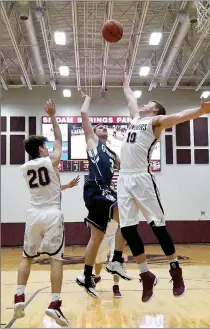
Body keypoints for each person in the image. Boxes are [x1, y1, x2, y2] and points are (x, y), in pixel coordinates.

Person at [108, 71, 210, 303]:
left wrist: (201, 111)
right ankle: (145, 274)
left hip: (142, 178)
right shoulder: (134, 120)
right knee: (128, 229)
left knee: (157, 227)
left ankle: (175, 270)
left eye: (148, 103)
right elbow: (131, 99)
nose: (142, 104)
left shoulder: (155, 122)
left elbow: (179, 116)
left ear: (155, 110)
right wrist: (126, 85)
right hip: (124, 179)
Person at [13, 100, 69, 326]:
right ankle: (55, 304)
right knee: (56, 259)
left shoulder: (23, 168)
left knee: (26, 257)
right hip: (52, 214)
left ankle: (19, 296)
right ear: (41, 149)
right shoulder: (51, 160)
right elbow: (59, 140)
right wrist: (53, 116)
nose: (48, 147)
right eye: (45, 146)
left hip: (33, 214)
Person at [76, 91, 132, 298]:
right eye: (99, 126)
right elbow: (83, 114)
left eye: (104, 127)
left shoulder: (112, 153)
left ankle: (87, 276)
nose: (102, 128)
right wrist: (88, 99)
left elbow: (127, 166)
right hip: (96, 188)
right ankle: (116, 259)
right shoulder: (92, 141)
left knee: (96, 238)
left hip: (104, 191)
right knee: (125, 213)